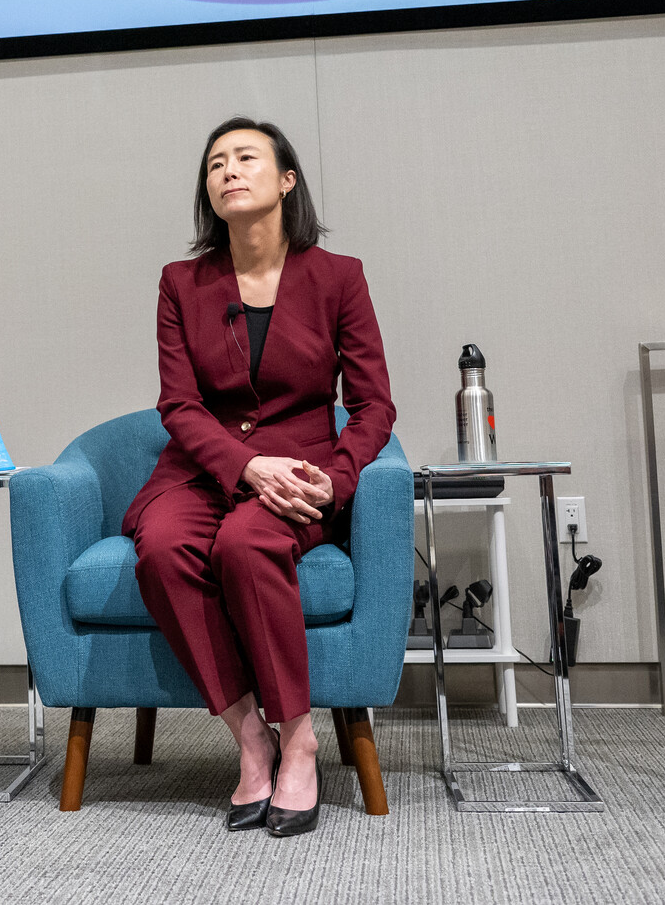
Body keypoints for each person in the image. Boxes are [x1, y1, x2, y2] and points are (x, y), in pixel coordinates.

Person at [126, 117, 394, 839]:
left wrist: (335, 481)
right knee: (159, 546)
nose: (227, 171)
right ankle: (250, 737)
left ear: (285, 180)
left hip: (301, 471)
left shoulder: (339, 276)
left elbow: (373, 405)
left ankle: (299, 737)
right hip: (204, 468)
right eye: (215, 162)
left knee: (245, 545)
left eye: (245, 157)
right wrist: (241, 464)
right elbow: (178, 404)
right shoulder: (180, 282)